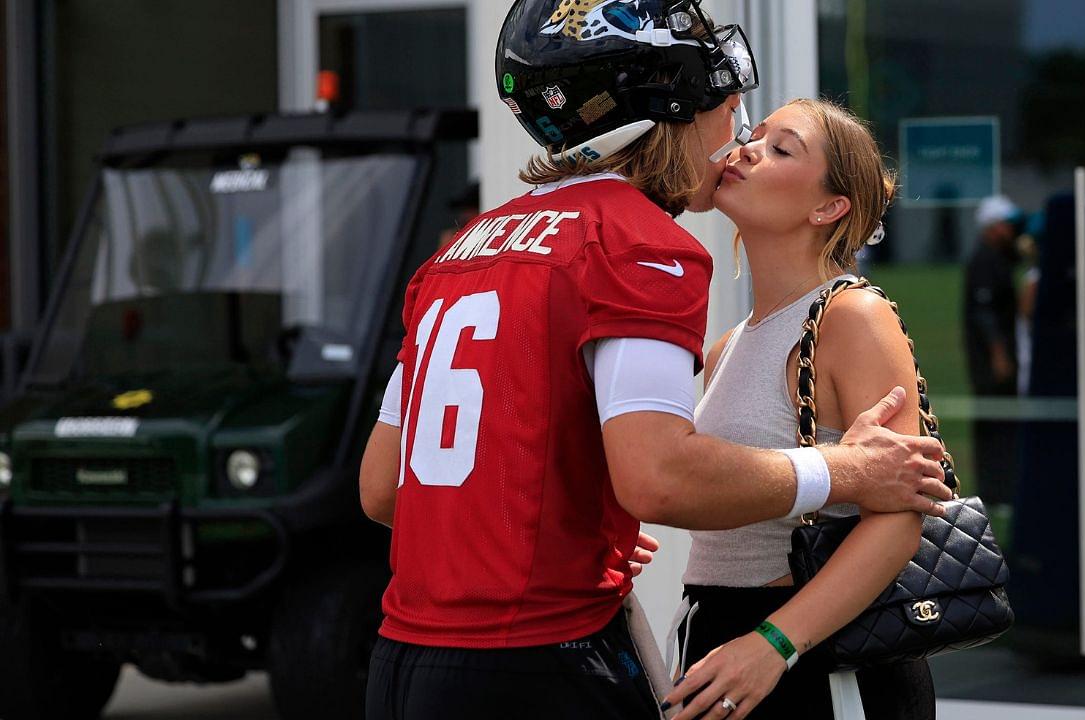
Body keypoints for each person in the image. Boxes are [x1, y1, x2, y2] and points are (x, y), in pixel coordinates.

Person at [358, 4, 951, 718]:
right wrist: (844, 470)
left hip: (406, 655)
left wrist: (576, 520)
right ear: (663, 105)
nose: (734, 141)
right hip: (543, 655)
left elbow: (385, 489)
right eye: (729, 111)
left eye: (773, 142)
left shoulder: (462, 247)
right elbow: (659, 477)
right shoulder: (637, 242)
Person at [659, 99, 937, 720]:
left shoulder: (853, 317)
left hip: (819, 654)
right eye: (752, 137)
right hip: (721, 637)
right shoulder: (729, 345)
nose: (747, 150)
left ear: (827, 207)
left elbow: (900, 516)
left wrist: (774, 645)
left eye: (782, 148)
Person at [963, 194, 1023, 510]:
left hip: (994, 357)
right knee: (994, 425)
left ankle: (1002, 488)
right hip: (989, 362)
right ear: (992, 227)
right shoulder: (985, 260)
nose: (1011, 231)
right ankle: (995, 490)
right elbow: (983, 314)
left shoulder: (997, 257)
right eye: (1005, 225)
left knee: (1001, 424)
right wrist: (999, 356)